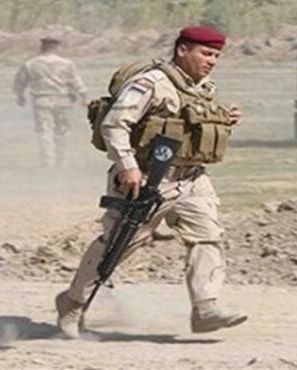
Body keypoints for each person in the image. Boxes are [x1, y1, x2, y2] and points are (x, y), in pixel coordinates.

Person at [54, 25, 247, 339]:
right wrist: (127, 166)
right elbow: (115, 124)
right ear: (182, 50)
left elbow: (192, 126)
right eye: (206, 54)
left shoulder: (203, 87)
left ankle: (205, 307)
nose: (212, 61)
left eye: (216, 56)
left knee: (207, 237)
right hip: (148, 177)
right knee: (119, 245)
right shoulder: (152, 83)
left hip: (192, 178)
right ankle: (73, 303)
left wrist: (226, 118)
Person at [13, 37, 88, 168]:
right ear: (56, 47)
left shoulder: (31, 64)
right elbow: (77, 82)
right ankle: (62, 160)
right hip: (63, 100)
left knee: (45, 131)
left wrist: (20, 96)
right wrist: (84, 97)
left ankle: (48, 161)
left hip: (42, 100)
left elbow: (20, 82)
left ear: (42, 47)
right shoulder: (67, 64)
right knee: (62, 131)